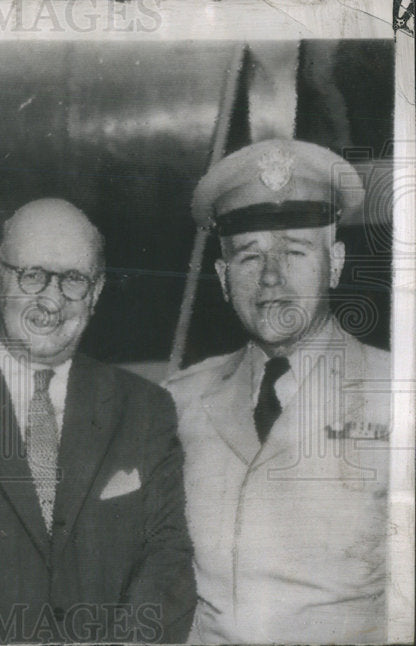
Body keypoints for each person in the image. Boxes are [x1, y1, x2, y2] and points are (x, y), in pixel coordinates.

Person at [0, 198, 196, 643]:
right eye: (33, 275)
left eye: (74, 279)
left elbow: (167, 558)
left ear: (96, 292)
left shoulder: (144, 409)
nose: (52, 300)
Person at [165, 139, 391, 643]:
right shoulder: (181, 402)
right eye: (249, 256)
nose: (271, 277)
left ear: (335, 262)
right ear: (223, 278)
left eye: (294, 251)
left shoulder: (397, 396)